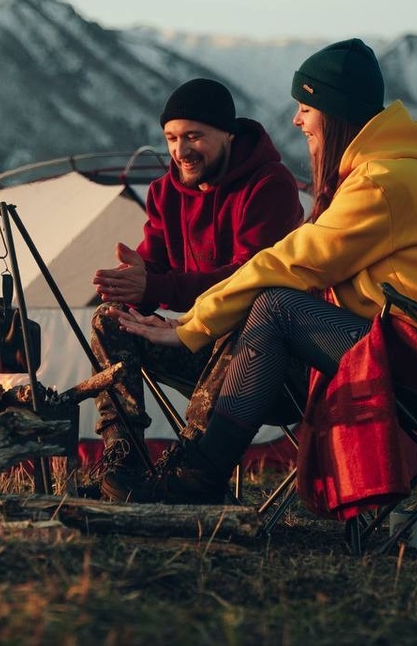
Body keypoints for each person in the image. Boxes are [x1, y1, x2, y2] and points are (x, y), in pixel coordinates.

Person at [109, 38, 417, 503]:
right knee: (271, 305)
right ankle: (148, 467)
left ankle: (198, 473)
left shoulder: (382, 183)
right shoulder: (382, 173)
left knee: (276, 306)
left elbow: (293, 261)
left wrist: (194, 323)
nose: (297, 119)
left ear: (334, 110)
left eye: (306, 107)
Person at [89, 77, 304, 501]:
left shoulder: (270, 185)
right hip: (197, 345)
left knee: (247, 317)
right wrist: (134, 286)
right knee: (109, 320)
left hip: (267, 364)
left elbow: (248, 279)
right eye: (171, 138)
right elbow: (156, 269)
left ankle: (193, 465)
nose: (180, 150)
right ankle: (124, 458)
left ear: (227, 133)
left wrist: (158, 285)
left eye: (193, 136)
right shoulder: (166, 192)